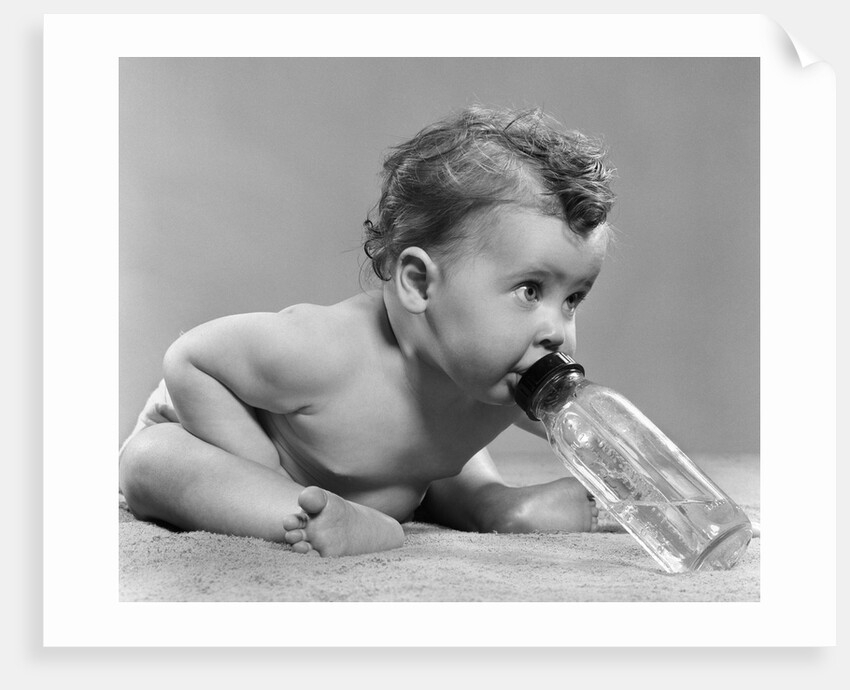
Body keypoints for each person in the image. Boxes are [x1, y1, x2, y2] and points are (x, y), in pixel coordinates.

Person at [118, 105, 616, 557]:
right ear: (419, 283)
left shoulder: (503, 374)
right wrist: (263, 473)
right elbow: (190, 359)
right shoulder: (321, 352)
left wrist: (619, 458)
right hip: (213, 436)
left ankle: (493, 504)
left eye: (572, 299)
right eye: (530, 290)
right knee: (151, 460)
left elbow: (595, 438)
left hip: (397, 472)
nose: (556, 330)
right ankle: (301, 513)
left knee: (438, 437)